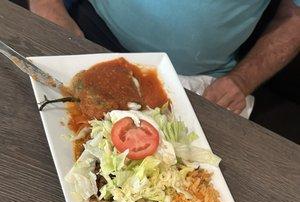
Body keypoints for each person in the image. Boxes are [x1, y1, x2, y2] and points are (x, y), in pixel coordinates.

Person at [29, 0, 300, 116]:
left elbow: (295, 16)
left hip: (200, 82)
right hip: (92, 31)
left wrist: (242, 80)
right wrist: (48, 6)